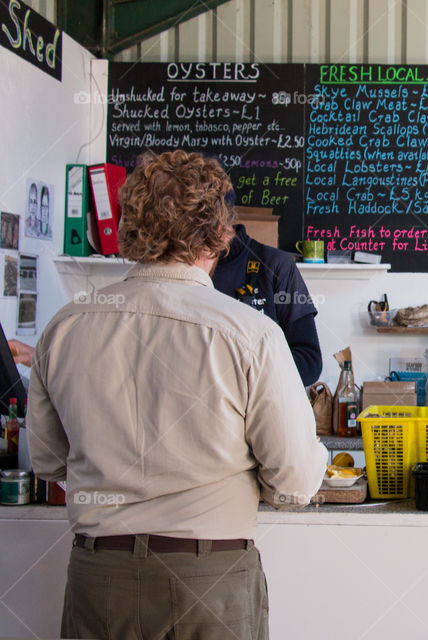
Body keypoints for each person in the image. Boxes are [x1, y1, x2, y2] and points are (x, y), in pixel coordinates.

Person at [27, 150, 327, 639]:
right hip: (210, 582)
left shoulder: (65, 327)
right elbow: (293, 484)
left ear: (131, 225)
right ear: (219, 231)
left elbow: (48, 463)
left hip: (100, 578)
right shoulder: (250, 333)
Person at [212, 222, 323, 386]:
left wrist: (237, 373)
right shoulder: (181, 273)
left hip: (259, 406)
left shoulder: (276, 264)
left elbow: (309, 364)